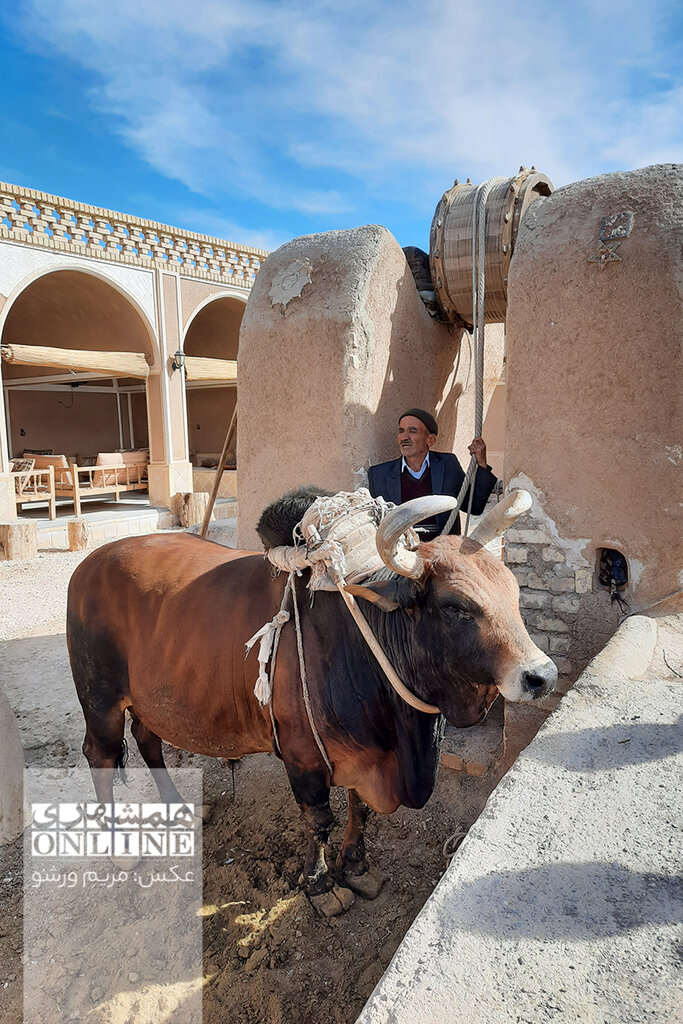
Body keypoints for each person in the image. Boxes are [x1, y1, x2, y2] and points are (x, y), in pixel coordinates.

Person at [368, 408, 497, 537]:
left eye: (412, 431)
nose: (404, 437)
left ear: (430, 440)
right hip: (401, 551)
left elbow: (474, 506)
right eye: (401, 431)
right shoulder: (379, 474)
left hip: (442, 549)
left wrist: (481, 464)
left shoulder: (447, 464)